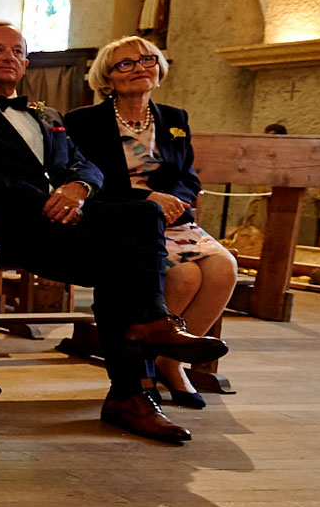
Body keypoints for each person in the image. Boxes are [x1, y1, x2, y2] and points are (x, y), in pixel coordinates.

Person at [0, 21, 226, 443]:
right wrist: (52, 203)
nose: (9, 57)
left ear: (26, 63)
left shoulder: (47, 113)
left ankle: (144, 348)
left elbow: (85, 164)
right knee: (126, 259)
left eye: (17, 51)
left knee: (142, 219)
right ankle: (134, 383)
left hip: (72, 214)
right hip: (19, 227)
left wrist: (78, 190)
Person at [66, 36, 238, 410]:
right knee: (185, 277)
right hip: (122, 217)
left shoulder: (174, 119)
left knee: (225, 268)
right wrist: (146, 198)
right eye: (125, 64)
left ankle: (170, 361)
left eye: (147, 60)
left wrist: (174, 199)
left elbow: (188, 176)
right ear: (107, 79)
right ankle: (141, 372)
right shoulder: (84, 122)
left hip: (171, 217)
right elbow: (87, 181)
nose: (139, 68)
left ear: (159, 69)